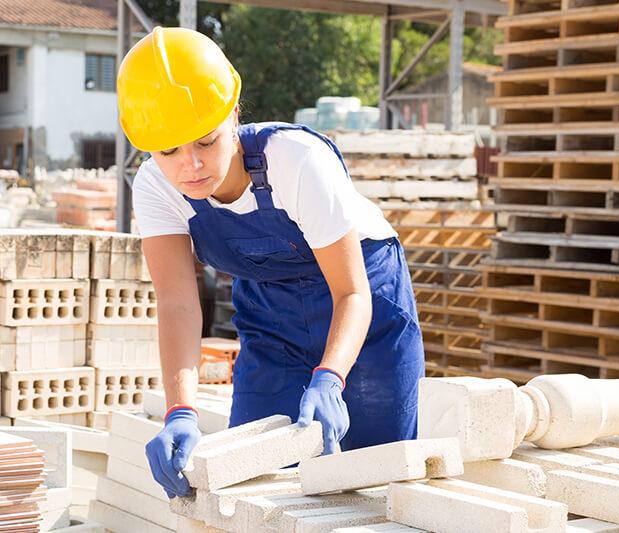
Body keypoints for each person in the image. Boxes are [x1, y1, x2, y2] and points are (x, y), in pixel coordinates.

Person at [117, 27, 425, 498]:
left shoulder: (297, 160)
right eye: (169, 151)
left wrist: (329, 377)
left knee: (374, 480)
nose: (191, 166)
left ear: (233, 113)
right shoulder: (156, 189)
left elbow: (352, 292)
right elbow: (179, 304)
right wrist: (180, 412)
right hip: (270, 315)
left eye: (205, 141)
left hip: (364, 304)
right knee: (249, 478)